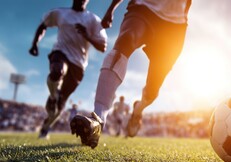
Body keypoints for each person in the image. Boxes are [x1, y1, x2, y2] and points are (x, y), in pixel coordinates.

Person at [70, 0, 192, 148]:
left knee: (152, 90)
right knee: (125, 40)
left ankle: (138, 110)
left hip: (174, 24)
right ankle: (97, 119)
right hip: (143, 8)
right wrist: (111, 9)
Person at [29, 0, 107, 139]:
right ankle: (53, 96)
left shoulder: (93, 19)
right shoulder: (60, 13)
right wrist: (35, 43)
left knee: (60, 106)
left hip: (79, 64)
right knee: (57, 71)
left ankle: (45, 128)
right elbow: (43, 26)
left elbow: (103, 46)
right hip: (61, 52)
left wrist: (87, 35)